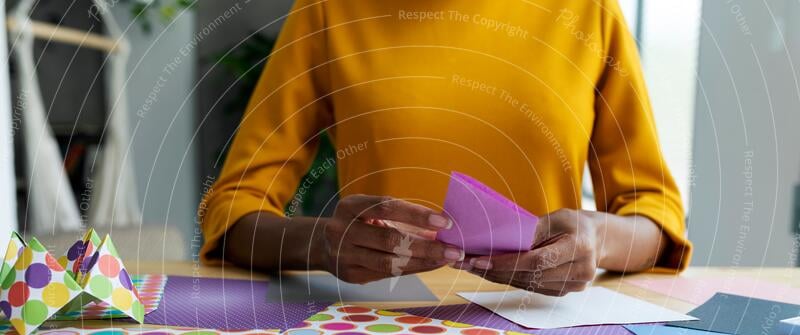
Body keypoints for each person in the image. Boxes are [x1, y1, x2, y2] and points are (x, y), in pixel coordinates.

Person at [200, 0, 691, 296]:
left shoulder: (590, 11)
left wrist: (598, 240)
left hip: (544, 329)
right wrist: (322, 244)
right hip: (371, 334)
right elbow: (233, 209)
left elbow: (656, 215)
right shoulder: (329, 10)